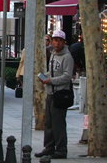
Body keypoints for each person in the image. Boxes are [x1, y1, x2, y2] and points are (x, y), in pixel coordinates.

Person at [36, 29, 74, 159]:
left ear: (64, 42)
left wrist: (51, 80)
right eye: (55, 40)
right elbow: (52, 72)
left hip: (60, 94)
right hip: (50, 93)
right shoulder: (52, 54)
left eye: (59, 41)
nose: (57, 43)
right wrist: (44, 77)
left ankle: (61, 149)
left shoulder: (67, 57)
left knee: (58, 124)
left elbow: (67, 77)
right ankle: (49, 147)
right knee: (49, 123)